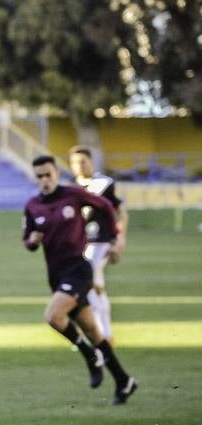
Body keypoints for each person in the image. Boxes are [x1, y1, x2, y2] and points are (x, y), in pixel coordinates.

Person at [23, 155, 136, 404]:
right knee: (93, 331)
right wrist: (32, 241)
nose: (44, 180)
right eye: (39, 176)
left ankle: (89, 355)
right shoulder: (32, 205)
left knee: (53, 317)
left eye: (48, 174)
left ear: (56, 173)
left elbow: (106, 207)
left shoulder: (72, 194)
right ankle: (124, 381)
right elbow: (27, 240)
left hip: (79, 269)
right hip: (56, 275)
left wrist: (115, 237)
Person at [68, 146, 128, 343]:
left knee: (87, 285)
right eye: (75, 162)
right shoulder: (70, 187)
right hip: (81, 244)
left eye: (83, 161)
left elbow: (121, 211)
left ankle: (98, 336)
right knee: (97, 288)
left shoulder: (103, 184)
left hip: (102, 242)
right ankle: (105, 335)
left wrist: (120, 238)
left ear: (91, 162)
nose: (79, 165)